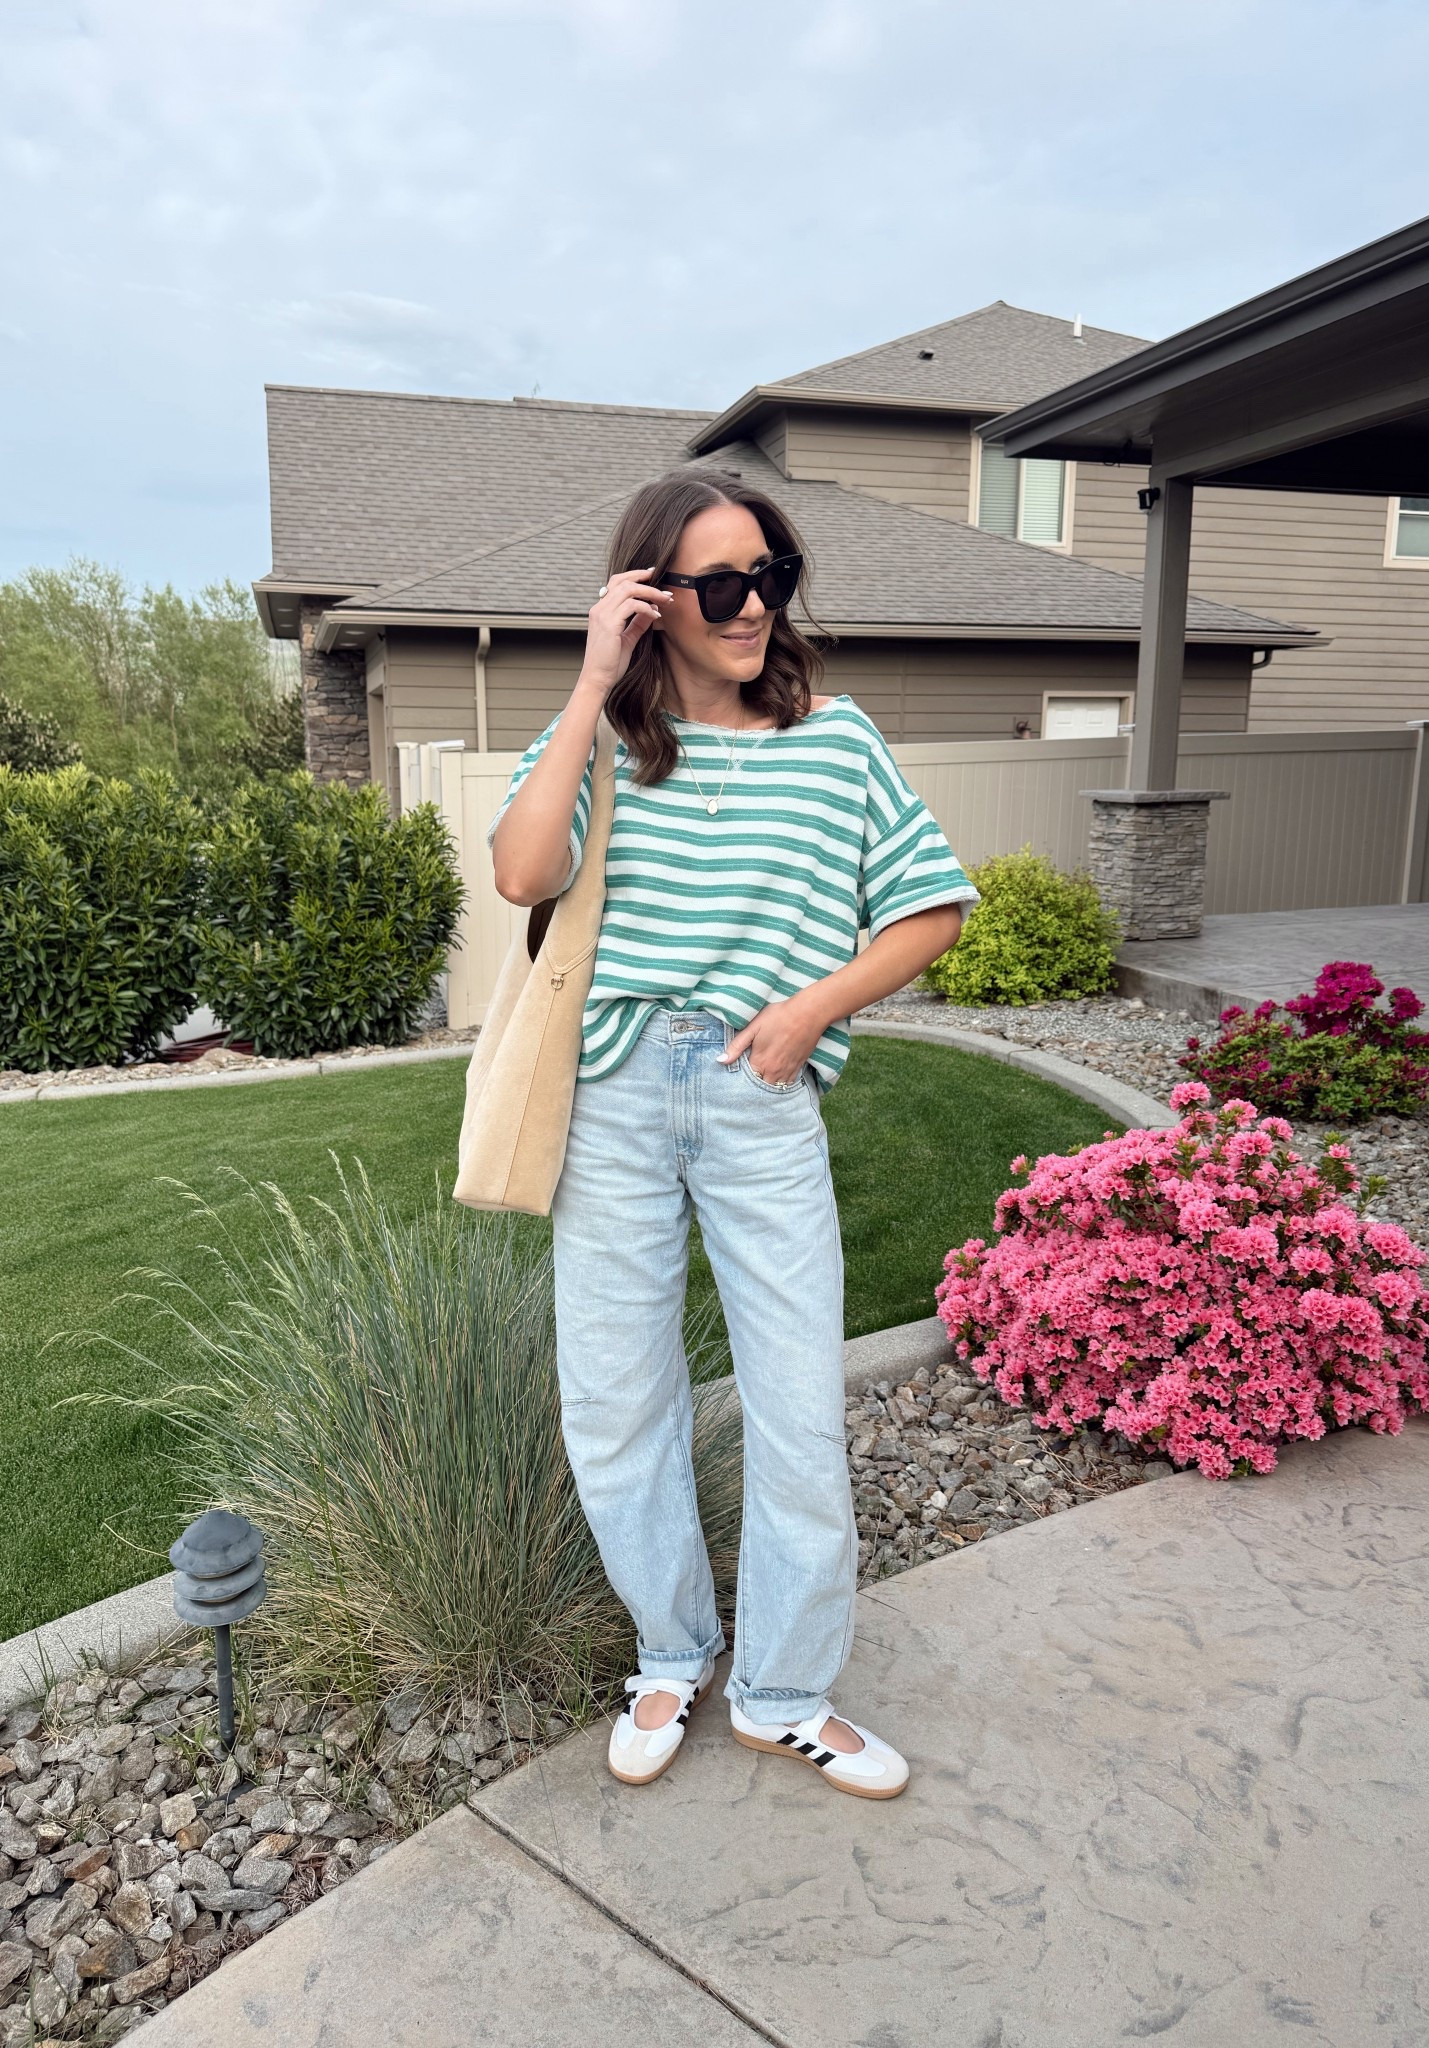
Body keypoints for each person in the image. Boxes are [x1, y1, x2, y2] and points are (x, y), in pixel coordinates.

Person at [488, 467, 976, 1800]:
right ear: (656, 598)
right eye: (718, 584)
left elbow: (932, 906)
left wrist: (811, 1010)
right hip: (617, 1093)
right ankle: (670, 1651)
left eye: (769, 575)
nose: (752, 603)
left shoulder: (838, 739)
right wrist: (593, 684)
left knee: (798, 1403)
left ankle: (784, 1691)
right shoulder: (606, 737)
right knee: (615, 1396)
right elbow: (523, 874)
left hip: (763, 1089)